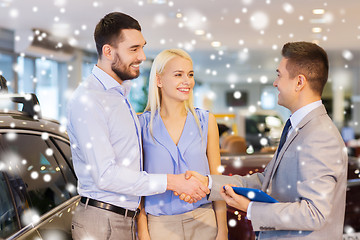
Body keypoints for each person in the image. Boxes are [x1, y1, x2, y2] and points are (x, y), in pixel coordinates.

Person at [66, 12, 209, 240]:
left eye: (142, 47)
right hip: (103, 222)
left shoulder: (119, 96)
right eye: (133, 49)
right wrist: (172, 181)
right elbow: (105, 174)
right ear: (108, 51)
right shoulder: (90, 100)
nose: (142, 56)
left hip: (121, 220)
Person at [185, 41, 348, 239]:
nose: (275, 82)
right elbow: (265, 182)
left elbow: (314, 213)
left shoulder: (319, 136)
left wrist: (252, 208)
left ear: (299, 82)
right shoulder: (299, 129)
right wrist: (209, 183)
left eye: (279, 75)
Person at [136, 49, 228, 240]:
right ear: (159, 80)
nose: (187, 81)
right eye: (178, 75)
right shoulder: (141, 125)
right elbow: (138, 184)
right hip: (160, 226)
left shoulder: (206, 120)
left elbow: (216, 179)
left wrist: (222, 230)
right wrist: (143, 230)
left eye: (190, 74)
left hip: (204, 220)